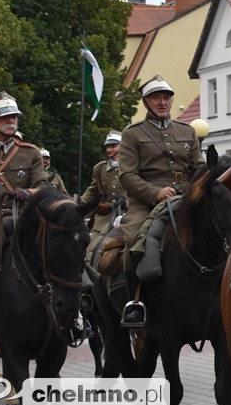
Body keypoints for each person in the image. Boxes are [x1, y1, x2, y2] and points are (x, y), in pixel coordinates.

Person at [118, 75, 204, 326]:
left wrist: (197, 188)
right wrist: (154, 192)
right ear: (146, 102)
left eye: (166, 97)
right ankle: (135, 302)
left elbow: (198, 167)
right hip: (145, 202)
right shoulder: (133, 134)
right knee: (134, 239)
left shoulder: (187, 131)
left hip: (185, 198)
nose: (162, 102)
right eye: (156, 97)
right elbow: (126, 175)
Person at [0, 91, 47, 238]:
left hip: (18, 224)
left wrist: (28, 192)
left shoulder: (31, 153)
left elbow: (43, 187)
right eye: (4, 117)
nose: (11, 120)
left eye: (14, 116)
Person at [80, 130, 125, 259]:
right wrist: (80, 203)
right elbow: (93, 191)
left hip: (129, 213)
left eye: (113, 146)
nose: (109, 150)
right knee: (90, 250)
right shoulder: (100, 168)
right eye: (107, 146)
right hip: (105, 216)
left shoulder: (132, 166)